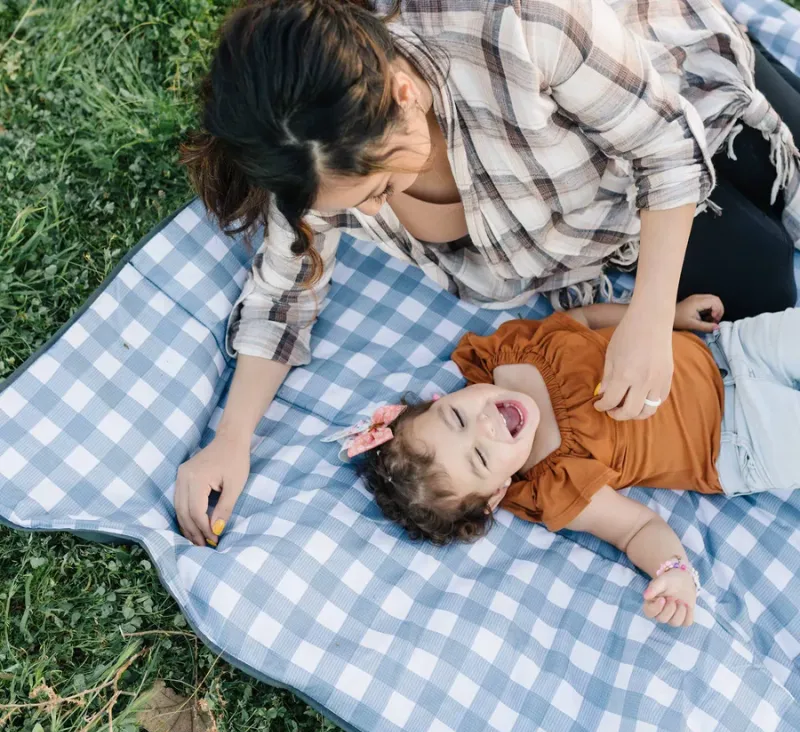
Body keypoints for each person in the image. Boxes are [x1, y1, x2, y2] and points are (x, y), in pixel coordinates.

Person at [175, 0, 800, 547]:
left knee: (764, 217)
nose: (369, 214)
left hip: (662, 88)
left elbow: (666, 146)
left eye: (381, 187)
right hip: (600, 229)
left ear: (404, 92)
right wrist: (233, 437)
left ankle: (753, 69)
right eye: (351, 205)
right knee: (766, 282)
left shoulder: (522, 24)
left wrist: (651, 314)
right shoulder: (312, 165)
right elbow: (286, 292)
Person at [351, 297, 800, 628]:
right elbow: (636, 529)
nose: (485, 424)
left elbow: (585, 319)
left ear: (441, 398)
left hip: (728, 349)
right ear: (497, 493)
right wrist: (673, 570)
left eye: (457, 416)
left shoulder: (511, 351)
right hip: (738, 439)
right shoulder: (557, 485)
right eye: (482, 456)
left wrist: (667, 313)